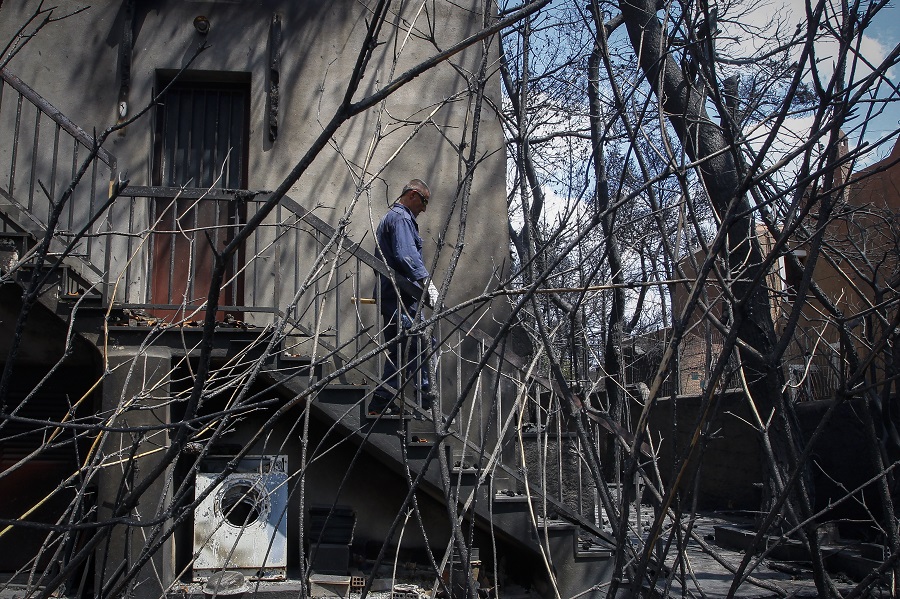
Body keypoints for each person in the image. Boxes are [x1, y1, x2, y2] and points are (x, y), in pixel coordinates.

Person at [367, 179, 439, 416]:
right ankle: (426, 400)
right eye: (424, 201)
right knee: (420, 343)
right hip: (399, 297)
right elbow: (406, 255)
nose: (424, 208)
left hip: (395, 297)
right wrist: (426, 281)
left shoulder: (398, 219)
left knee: (402, 352)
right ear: (412, 195)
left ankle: (381, 402)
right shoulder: (401, 218)